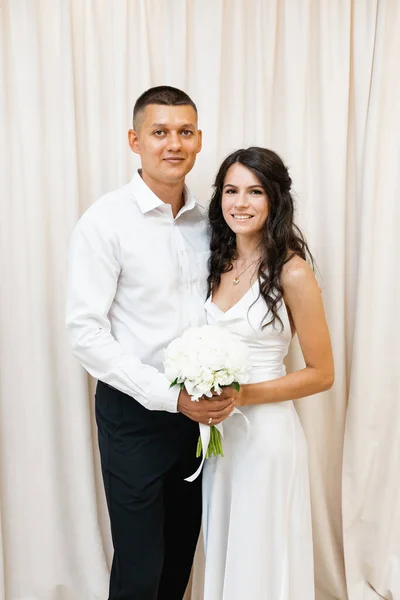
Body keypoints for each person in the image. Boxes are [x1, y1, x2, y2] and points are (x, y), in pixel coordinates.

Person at [65, 86, 235, 600]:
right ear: (135, 140)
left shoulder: (212, 222)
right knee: (141, 564)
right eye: (160, 132)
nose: (173, 144)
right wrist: (168, 395)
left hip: (198, 416)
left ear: (200, 140)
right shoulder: (105, 221)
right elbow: (84, 332)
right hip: (134, 415)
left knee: (182, 552)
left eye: (184, 132)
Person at [201, 147, 334, 600]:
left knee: (261, 551)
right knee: (229, 544)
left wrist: (241, 394)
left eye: (254, 192)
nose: (240, 203)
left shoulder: (292, 271)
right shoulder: (217, 262)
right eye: (231, 191)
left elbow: (322, 373)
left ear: (275, 200)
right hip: (220, 439)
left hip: (267, 437)